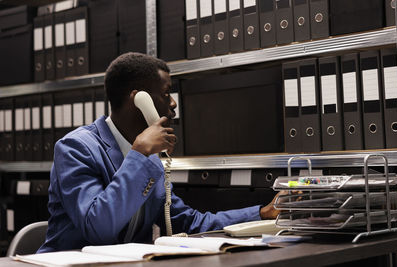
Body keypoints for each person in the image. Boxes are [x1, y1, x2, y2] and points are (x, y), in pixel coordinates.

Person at [38, 52, 281, 253]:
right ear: (138, 100)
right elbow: (98, 227)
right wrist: (140, 154)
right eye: (166, 94)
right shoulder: (76, 148)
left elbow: (189, 223)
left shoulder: (149, 161)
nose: (173, 103)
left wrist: (261, 213)